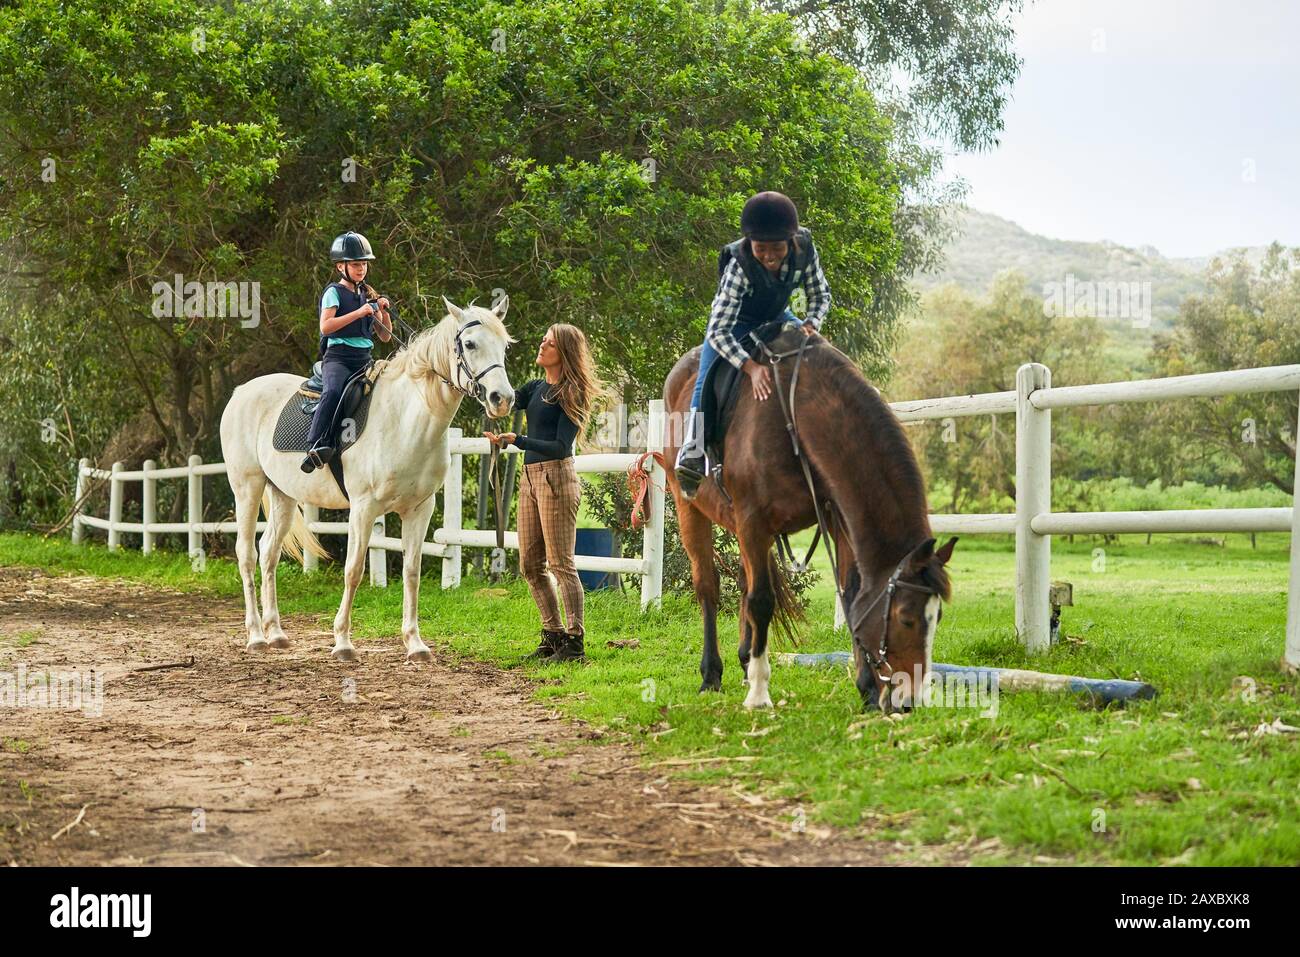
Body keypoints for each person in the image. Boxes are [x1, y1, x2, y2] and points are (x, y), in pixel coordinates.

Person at [673, 191, 832, 497]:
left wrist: (811, 323)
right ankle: (692, 452)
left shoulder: (805, 251)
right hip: (733, 325)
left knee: (820, 350)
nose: (770, 256)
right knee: (705, 378)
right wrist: (751, 367)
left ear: (792, 241)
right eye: (761, 249)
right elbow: (718, 331)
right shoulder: (738, 267)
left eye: (777, 248)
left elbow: (821, 295)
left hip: (777, 314)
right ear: (749, 244)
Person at [485, 324, 603, 663]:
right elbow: (504, 400)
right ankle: (552, 636)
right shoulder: (536, 387)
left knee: (561, 564)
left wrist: (516, 440)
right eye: (542, 339)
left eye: (548, 342)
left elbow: (560, 445)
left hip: (556, 478)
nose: (541, 344)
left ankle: (575, 643)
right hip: (530, 479)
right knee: (530, 564)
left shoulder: (571, 393)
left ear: (562, 352)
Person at [300, 231, 393, 472]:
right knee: (332, 392)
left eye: (363, 264)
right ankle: (316, 444)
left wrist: (383, 311)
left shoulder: (367, 294)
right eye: (355, 264)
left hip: (365, 360)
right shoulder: (334, 292)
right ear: (341, 266)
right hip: (339, 359)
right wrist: (360, 312)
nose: (361, 269)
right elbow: (326, 326)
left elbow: (385, 336)